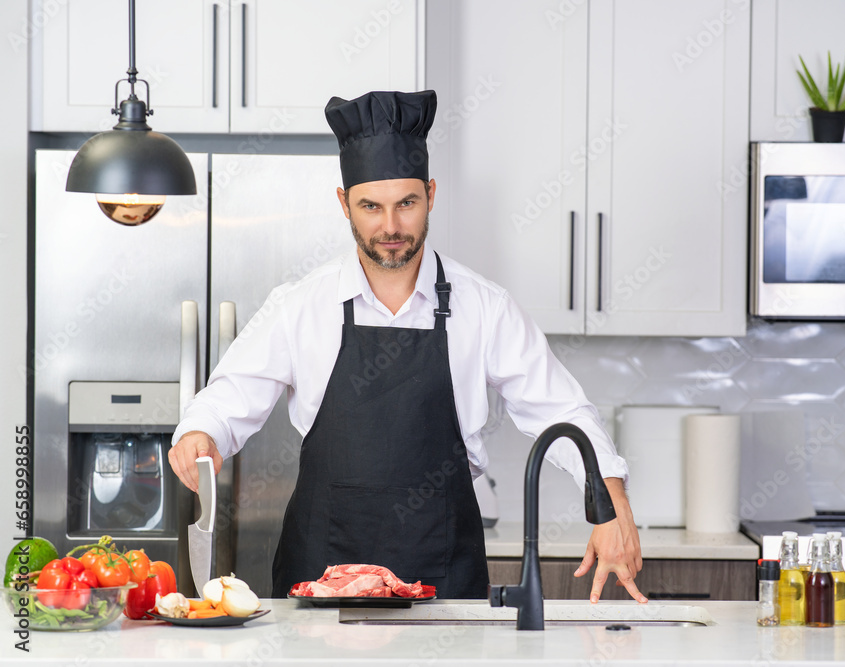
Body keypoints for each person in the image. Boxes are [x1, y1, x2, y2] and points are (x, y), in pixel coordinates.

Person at [168, 90, 646, 603]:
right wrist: (200, 432)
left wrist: (612, 504)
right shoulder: (300, 305)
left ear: (431, 195)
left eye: (407, 204)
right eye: (370, 207)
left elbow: (563, 410)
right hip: (320, 586)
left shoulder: (485, 307)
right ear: (343, 203)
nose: (390, 227)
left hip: (444, 583)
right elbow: (227, 398)